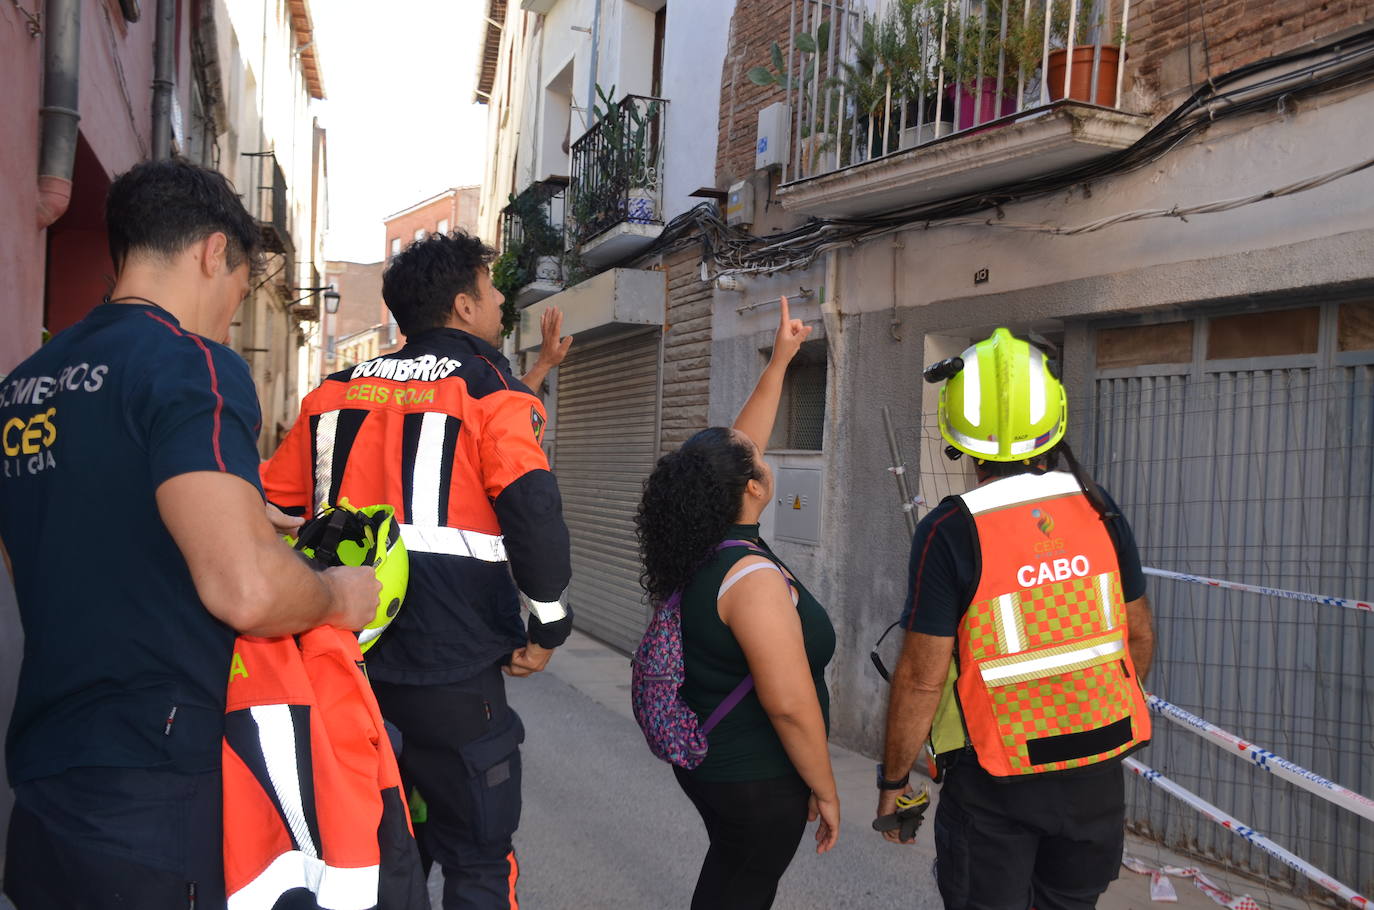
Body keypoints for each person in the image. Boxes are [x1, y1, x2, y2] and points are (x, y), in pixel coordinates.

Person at [0, 158, 379, 908]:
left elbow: (52, 556)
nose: (230, 317)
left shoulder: (22, 387)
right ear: (213, 252)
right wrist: (338, 596)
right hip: (156, 796)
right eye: (239, 295)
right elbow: (245, 590)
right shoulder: (190, 365)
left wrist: (235, 516)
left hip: (44, 794)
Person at [260, 230, 573, 910]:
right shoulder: (490, 391)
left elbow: (270, 510)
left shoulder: (330, 395)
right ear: (463, 306)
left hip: (341, 665)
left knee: (368, 852)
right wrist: (548, 625)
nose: (498, 307)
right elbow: (534, 513)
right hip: (454, 673)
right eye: (491, 294)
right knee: (479, 857)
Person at [876, 328, 1156, 910]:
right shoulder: (1099, 508)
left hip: (994, 784)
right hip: (1095, 777)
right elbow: (1138, 635)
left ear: (960, 435)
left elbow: (923, 677)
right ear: (1054, 416)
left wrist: (894, 783)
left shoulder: (952, 529)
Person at [636, 297, 839, 910]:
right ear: (751, 488)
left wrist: (779, 361)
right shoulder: (748, 577)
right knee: (738, 891)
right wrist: (825, 788)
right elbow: (790, 706)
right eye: (759, 461)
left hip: (712, 765)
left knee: (728, 882)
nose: (763, 453)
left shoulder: (705, 541)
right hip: (754, 778)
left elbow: (735, 446)